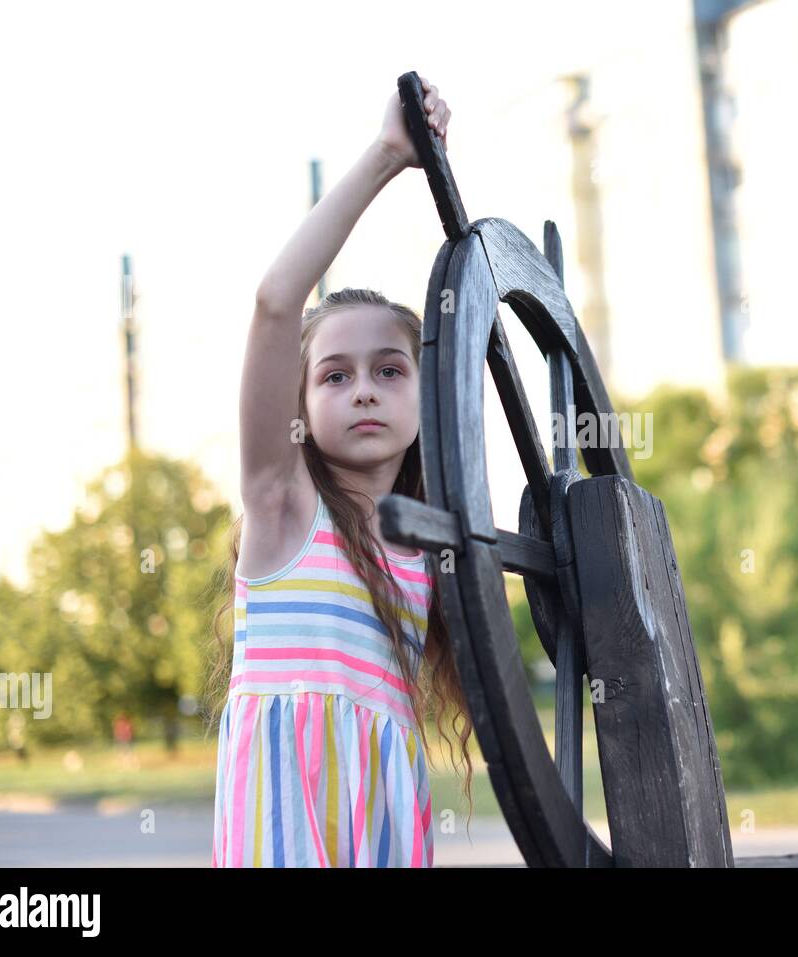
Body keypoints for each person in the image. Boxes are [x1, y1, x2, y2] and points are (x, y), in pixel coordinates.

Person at [206, 75, 473, 867]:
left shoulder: (429, 549)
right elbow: (276, 303)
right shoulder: (282, 505)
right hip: (285, 818)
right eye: (334, 375)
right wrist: (390, 154)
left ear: (427, 393)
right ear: (302, 398)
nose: (362, 388)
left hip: (385, 815)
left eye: (390, 370)